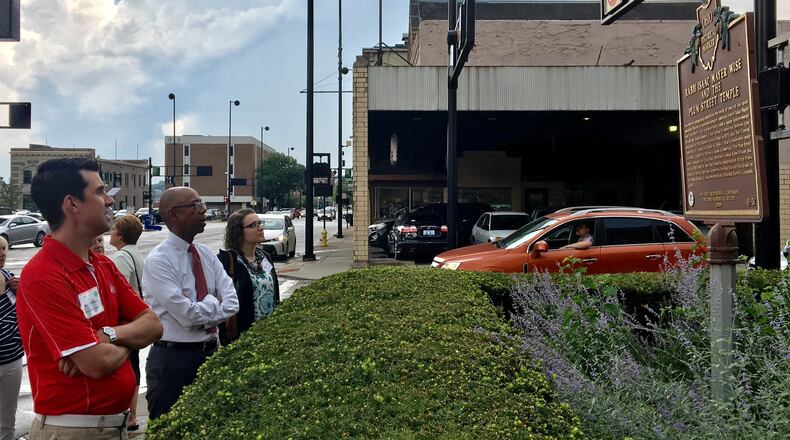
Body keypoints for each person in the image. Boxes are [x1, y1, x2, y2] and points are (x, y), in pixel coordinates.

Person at [16, 158, 163, 440]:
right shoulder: (43, 275)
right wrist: (128, 339)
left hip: (111, 427)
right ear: (71, 204)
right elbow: (97, 363)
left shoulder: (103, 264)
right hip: (73, 431)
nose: (109, 200)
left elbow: (154, 325)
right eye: (99, 192)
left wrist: (107, 335)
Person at [143, 187, 239, 420]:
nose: (203, 209)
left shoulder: (206, 254)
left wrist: (203, 307)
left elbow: (233, 303)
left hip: (211, 356)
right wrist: (211, 300)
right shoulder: (159, 261)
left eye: (202, 203)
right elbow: (188, 316)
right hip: (173, 363)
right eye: (195, 205)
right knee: (171, 426)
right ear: (172, 214)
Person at [217, 209, 280, 345]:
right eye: (252, 225)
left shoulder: (265, 257)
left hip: (270, 334)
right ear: (238, 232)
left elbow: (276, 295)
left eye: (259, 223)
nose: (260, 228)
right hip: (243, 336)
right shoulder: (227, 261)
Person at [109, 215, 145, 431]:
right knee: (133, 365)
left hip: (126, 320)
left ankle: (130, 415)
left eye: (114, 229)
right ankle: (132, 414)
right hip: (136, 318)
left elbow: (117, 291)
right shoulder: (135, 253)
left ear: (120, 235)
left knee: (128, 366)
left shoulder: (122, 256)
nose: (111, 233)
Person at [0, 236, 23, 440]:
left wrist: (23, 289)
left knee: (8, 414)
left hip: (13, 357)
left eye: (4, 249)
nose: (2, 253)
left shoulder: (10, 279)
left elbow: (25, 313)